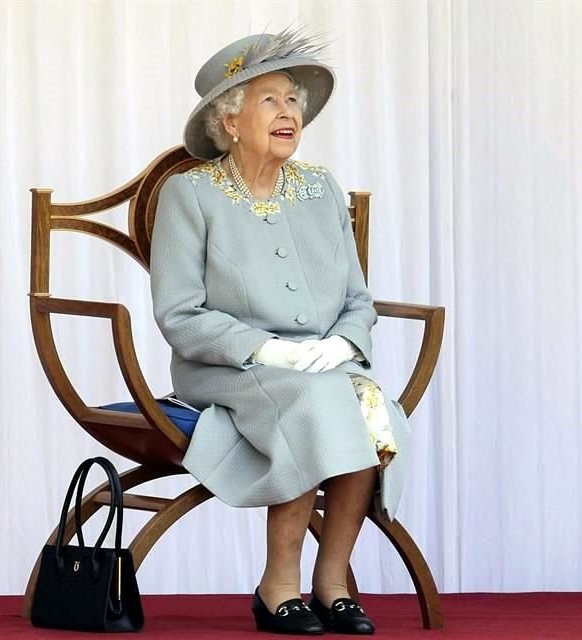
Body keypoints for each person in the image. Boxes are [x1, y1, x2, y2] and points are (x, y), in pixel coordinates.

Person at [150, 28, 412, 635]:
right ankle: (279, 586)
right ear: (229, 120)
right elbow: (180, 313)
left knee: (369, 404)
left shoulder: (320, 189)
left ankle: (333, 581)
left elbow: (356, 296)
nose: (289, 112)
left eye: (293, 100)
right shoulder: (188, 195)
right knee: (319, 405)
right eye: (269, 100)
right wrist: (266, 349)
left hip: (323, 365)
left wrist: (341, 345)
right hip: (228, 369)